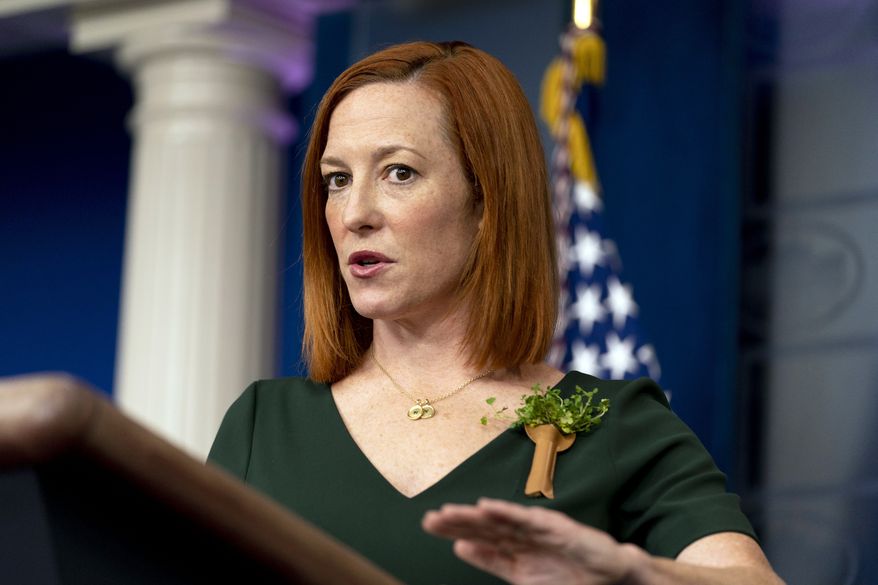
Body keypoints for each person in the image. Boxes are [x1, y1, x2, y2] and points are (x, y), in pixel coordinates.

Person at [208, 41, 784, 585]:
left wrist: (633, 574)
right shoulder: (264, 427)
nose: (355, 212)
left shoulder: (617, 427)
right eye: (337, 180)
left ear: (487, 202)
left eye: (399, 172)